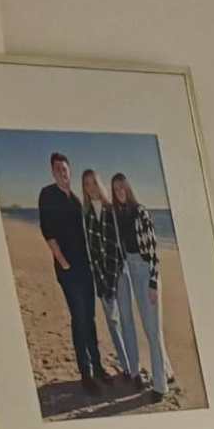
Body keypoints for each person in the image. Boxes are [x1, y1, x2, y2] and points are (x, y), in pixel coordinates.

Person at [33, 154, 102, 395]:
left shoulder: (75, 199)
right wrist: (63, 262)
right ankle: (86, 375)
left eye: (65, 168)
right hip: (68, 270)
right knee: (79, 318)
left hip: (85, 268)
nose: (62, 172)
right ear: (53, 172)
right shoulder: (48, 194)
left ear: (70, 171)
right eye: (58, 169)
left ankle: (98, 367)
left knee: (90, 318)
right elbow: (47, 231)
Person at [108, 172, 167, 396]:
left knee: (153, 329)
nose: (120, 192)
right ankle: (165, 373)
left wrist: (153, 282)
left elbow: (153, 250)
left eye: (122, 187)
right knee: (147, 327)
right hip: (130, 269)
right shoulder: (118, 214)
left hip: (145, 270)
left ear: (128, 188)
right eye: (116, 189)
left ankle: (160, 387)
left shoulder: (140, 211)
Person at [82, 158, 132, 385]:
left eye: (94, 182)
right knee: (113, 323)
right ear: (84, 188)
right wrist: (100, 279)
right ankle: (126, 367)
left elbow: (119, 245)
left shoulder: (111, 210)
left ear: (99, 183)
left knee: (126, 320)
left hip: (119, 271)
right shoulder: (85, 215)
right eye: (87, 184)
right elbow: (92, 250)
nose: (91, 187)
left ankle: (133, 367)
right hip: (101, 276)